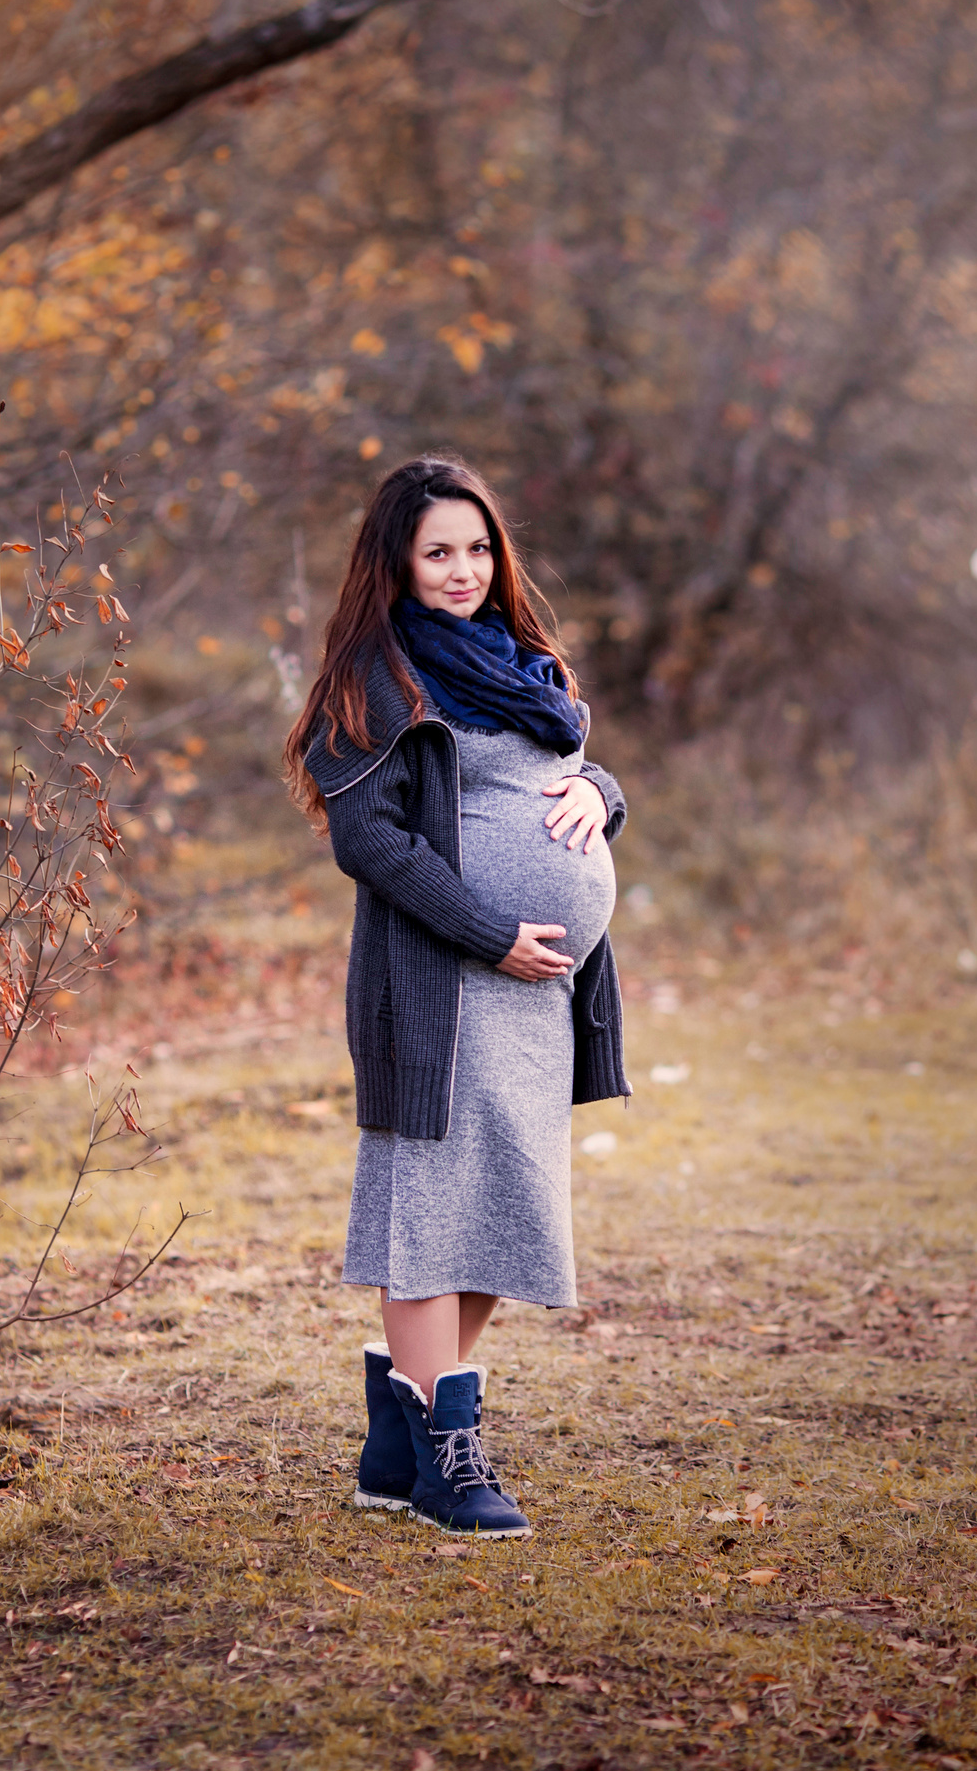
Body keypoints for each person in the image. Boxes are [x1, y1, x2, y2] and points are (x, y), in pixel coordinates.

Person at [282, 453, 629, 1539]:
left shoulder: (519, 663)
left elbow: (564, 772)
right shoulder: (372, 683)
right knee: (430, 1218)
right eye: (439, 551)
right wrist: (490, 933)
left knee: (498, 1207)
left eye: (477, 548)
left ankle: (398, 1442)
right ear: (396, 561)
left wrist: (600, 793)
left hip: (535, 995)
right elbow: (368, 839)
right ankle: (447, 1457)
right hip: (441, 983)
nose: (463, 569)